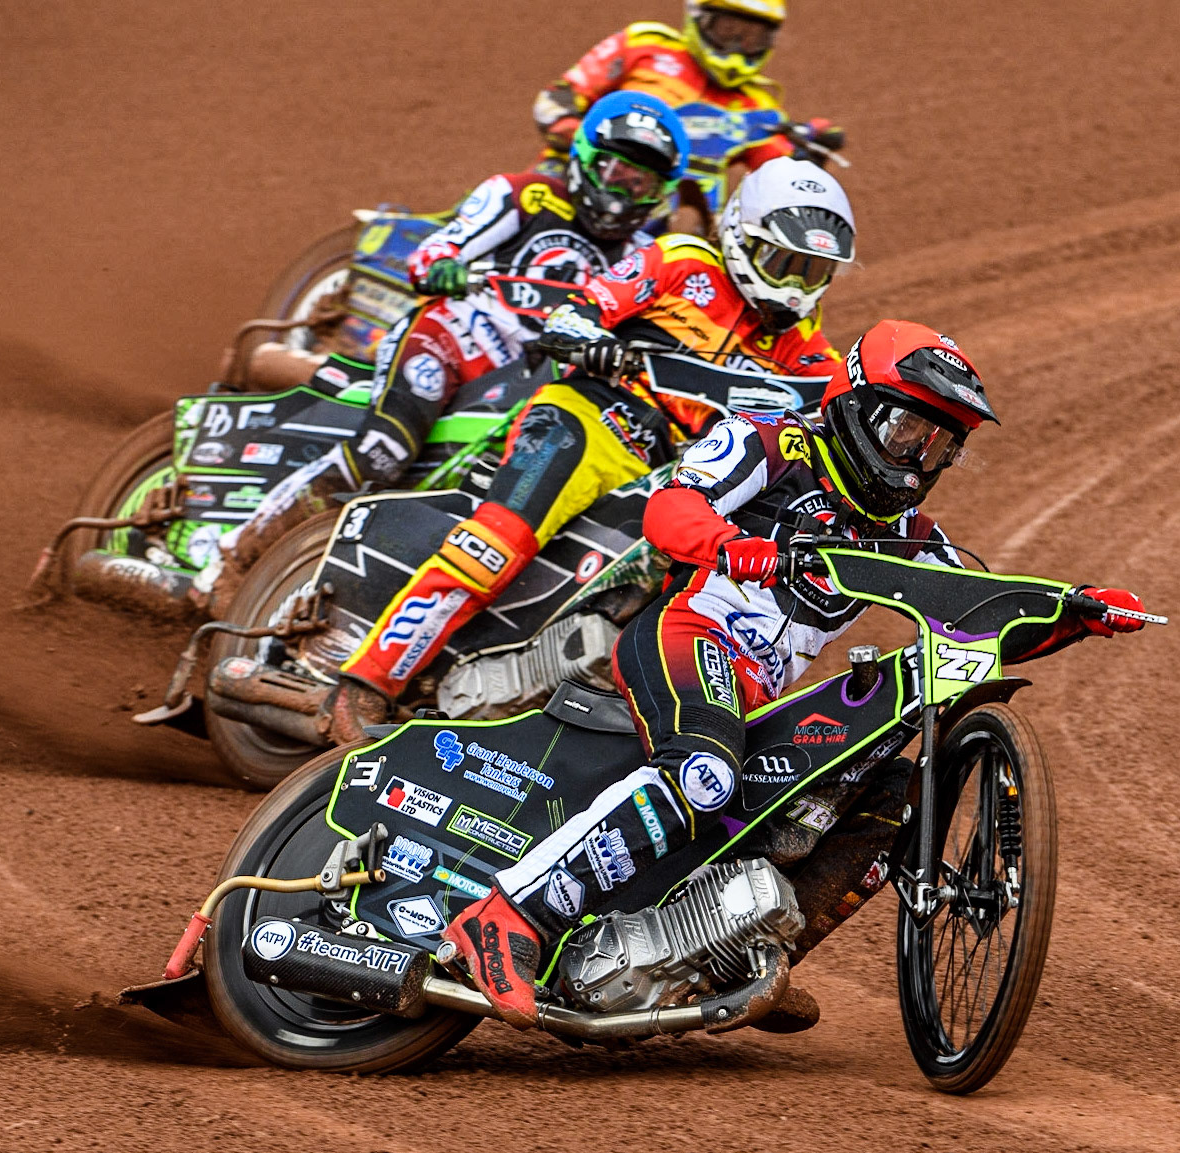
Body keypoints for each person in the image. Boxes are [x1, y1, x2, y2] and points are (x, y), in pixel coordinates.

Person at [442, 319, 1150, 1029]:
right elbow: (670, 510)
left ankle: (741, 962)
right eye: (909, 432)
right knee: (704, 775)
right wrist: (731, 545)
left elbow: (979, 621)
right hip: (690, 634)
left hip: (760, 695)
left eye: (941, 448)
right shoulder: (774, 443)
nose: (918, 460)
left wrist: (1078, 613)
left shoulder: (911, 537)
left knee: (885, 799)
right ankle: (506, 917)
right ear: (856, 403)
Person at [313, 156, 857, 747]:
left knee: (712, 588)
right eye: (785, 263)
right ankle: (366, 682)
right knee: (498, 541)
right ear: (738, 235)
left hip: (673, 469)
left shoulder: (807, 351)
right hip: (589, 419)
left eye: (814, 271)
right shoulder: (680, 261)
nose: (795, 284)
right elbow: (584, 305)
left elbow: (835, 421)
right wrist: (586, 333)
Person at [192, 92, 690, 615]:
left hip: (532, 382)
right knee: (384, 449)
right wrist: (444, 265)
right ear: (587, 159)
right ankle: (232, 557)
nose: (622, 193)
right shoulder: (525, 196)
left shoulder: (641, 258)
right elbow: (437, 248)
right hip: (450, 340)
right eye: (615, 172)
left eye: (641, 183)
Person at [533, 1, 839, 169]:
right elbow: (557, 99)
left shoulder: (758, 105)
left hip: (662, 217)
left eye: (751, 38)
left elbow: (776, 173)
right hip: (582, 175)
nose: (737, 46)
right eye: (728, 31)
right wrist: (576, 132)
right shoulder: (645, 45)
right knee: (528, 200)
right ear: (700, 19)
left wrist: (808, 159)